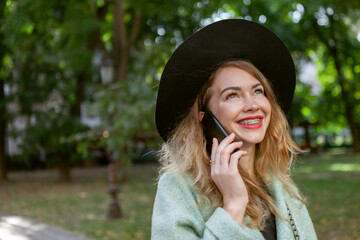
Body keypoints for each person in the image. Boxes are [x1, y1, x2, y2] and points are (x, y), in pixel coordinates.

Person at [151, 19, 317, 240]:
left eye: (258, 91)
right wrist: (234, 205)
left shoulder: (280, 185)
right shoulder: (179, 188)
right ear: (204, 117)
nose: (252, 105)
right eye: (232, 95)